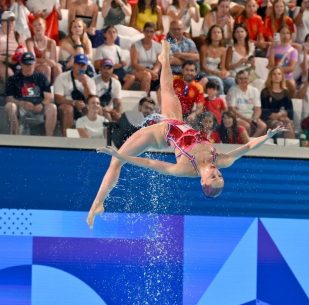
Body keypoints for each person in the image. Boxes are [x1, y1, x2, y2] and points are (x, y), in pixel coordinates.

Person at [87, 40, 283, 228]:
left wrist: (121, 155)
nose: (217, 171)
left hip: (160, 134)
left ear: (203, 181)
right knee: (168, 89)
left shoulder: (185, 168)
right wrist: (267, 136)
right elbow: (248, 146)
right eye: (220, 175)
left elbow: (151, 163)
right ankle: (164, 59)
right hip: (177, 122)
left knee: (115, 163)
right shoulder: (222, 160)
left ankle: (97, 202)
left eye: (213, 177)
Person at [5, 50, 57, 135]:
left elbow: (49, 97)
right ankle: (16, 136)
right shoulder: (13, 79)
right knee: (10, 106)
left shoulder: (41, 77)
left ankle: (49, 138)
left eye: (31, 64)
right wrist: (21, 103)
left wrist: (42, 105)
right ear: (21, 64)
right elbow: (9, 98)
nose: (29, 67)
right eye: (26, 64)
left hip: (39, 107)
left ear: (34, 64)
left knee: (52, 107)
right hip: (21, 108)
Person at [54, 52, 96, 136]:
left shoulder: (90, 81)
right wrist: (73, 103)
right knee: (68, 109)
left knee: (93, 110)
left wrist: (85, 85)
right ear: (74, 65)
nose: (81, 67)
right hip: (66, 105)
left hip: (83, 106)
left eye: (83, 65)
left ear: (86, 67)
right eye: (79, 64)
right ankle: (67, 139)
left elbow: (92, 100)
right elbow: (58, 99)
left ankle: (91, 140)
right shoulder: (62, 77)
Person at [227, 69, 267, 137]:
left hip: (251, 116)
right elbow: (232, 110)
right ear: (237, 79)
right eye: (240, 78)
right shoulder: (233, 90)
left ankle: (251, 141)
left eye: (245, 78)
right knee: (247, 126)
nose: (243, 80)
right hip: (237, 117)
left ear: (249, 79)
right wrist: (246, 119)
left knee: (263, 126)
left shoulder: (254, 90)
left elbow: (258, 109)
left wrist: (254, 119)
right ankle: (246, 142)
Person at [93, 25, 135, 90]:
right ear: (105, 34)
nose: (112, 34)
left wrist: (122, 63)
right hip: (106, 71)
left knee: (131, 78)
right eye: (109, 32)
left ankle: (121, 93)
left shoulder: (118, 48)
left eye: (114, 32)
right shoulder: (100, 48)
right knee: (115, 78)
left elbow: (120, 61)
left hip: (118, 70)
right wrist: (112, 66)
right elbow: (97, 65)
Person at [260, 66, 295, 138]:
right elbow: (265, 111)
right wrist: (279, 115)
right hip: (269, 120)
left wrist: (282, 116)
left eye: (279, 74)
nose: (276, 76)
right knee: (278, 125)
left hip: (284, 119)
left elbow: (290, 110)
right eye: (274, 74)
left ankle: (290, 147)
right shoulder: (265, 92)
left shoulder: (286, 92)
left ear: (282, 76)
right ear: (270, 76)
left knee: (288, 126)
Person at [26, 15, 62, 84]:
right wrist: (45, 60)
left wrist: (49, 62)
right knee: (46, 68)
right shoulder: (30, 41)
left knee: (57, 68)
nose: (37, 27)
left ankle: (56, 91)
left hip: (47, 65)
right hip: (35, 66)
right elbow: (32, 59)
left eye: (39, 24)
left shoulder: (51, 42)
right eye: (35, 25)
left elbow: (53, 61)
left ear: (45, 26)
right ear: (32, 28)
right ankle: (46, 91)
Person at [200, 24, 234, 95]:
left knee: (232, 81)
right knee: (218, 81)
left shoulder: (223, 49)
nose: (216, 34)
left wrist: (225, 73)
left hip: (217, 73)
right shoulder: (204, 48)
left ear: (222, 35)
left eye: (219, 32)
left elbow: (222, 67)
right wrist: (216, 73)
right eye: (214, 32)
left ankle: (232, 102)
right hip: (206, 73)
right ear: (210, 34)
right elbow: (203, 67)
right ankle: (220, 101)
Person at [130, 22, 161, 93]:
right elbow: (134, 64)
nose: (149, 34)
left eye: (151, 32)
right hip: (137, 70)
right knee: (147, 76)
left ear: (154, 33)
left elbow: (158, 64)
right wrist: (150, 72)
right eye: (147, 31)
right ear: (143, 32)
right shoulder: (135, 45)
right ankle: (144, 99)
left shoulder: (158, 46)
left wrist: (154, 72)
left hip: (152, 70)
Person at [267, 25, 298, 97]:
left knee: (291, 86)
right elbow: (271, 65)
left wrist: (278, 70)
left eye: (287, 33)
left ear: (290, 36)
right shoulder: (272, 48)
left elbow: (291, 68)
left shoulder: (293, 51)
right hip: (273, 76)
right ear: (279, 34)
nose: (285, 35)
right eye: (283, 33)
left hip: (287, 78)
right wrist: (272, 49)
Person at [173, 60, 205, 124]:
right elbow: (160, 90)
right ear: (182, 70)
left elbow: (200, 107)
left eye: (191, 70)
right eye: (186, 70)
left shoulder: (198, 87)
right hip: (171, 111)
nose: (189, 72)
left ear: (196, 72)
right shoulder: (174, 80)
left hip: (187, 115)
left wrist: (194, 114)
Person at [94, 58, 122, 123]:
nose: (107, 70)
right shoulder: (93, 81)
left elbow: (118, 102)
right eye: (104, 68)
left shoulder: (116, 83)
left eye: (109, 68)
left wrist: (117, 113)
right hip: (95, 108)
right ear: (100, 69)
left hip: (110, 109)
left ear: (112, 69)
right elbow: (92, 101)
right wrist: (106, 110)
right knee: (106, 115)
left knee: (121, 118)